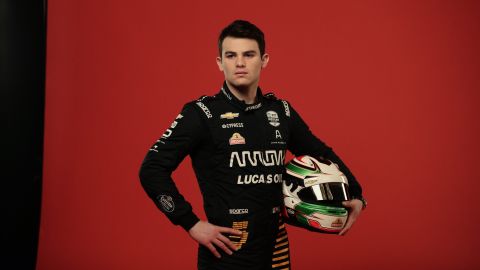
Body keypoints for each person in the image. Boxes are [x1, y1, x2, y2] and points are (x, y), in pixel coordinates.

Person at [139, 20, 366, 270]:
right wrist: (191, 223)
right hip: (227, 254)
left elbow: (321, 153)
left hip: (275, 250)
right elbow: (152, 170)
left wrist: (355, 193)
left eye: (248, 54)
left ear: (264, 59)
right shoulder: (201, 113)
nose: (239, 63)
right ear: (219, 62)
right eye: (231, 55)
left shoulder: (281, 112)